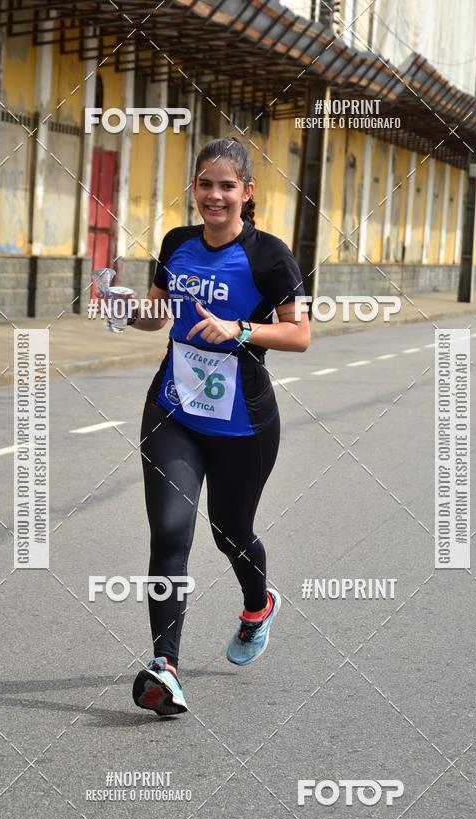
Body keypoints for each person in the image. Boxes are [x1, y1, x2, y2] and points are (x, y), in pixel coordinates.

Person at [129, 136, 310, 716]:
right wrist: (124, 309)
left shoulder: (269, 256)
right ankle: (166, 668)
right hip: (173, 410)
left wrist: (239, 329)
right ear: (194, 189)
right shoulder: (177, 244)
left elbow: (299, 334)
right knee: (170, 532)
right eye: (205, 184)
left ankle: (258, 605)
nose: (215, 195)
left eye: (227, 186)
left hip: (242, 425)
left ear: (246, 193)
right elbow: (156, 317)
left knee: (230, 531)